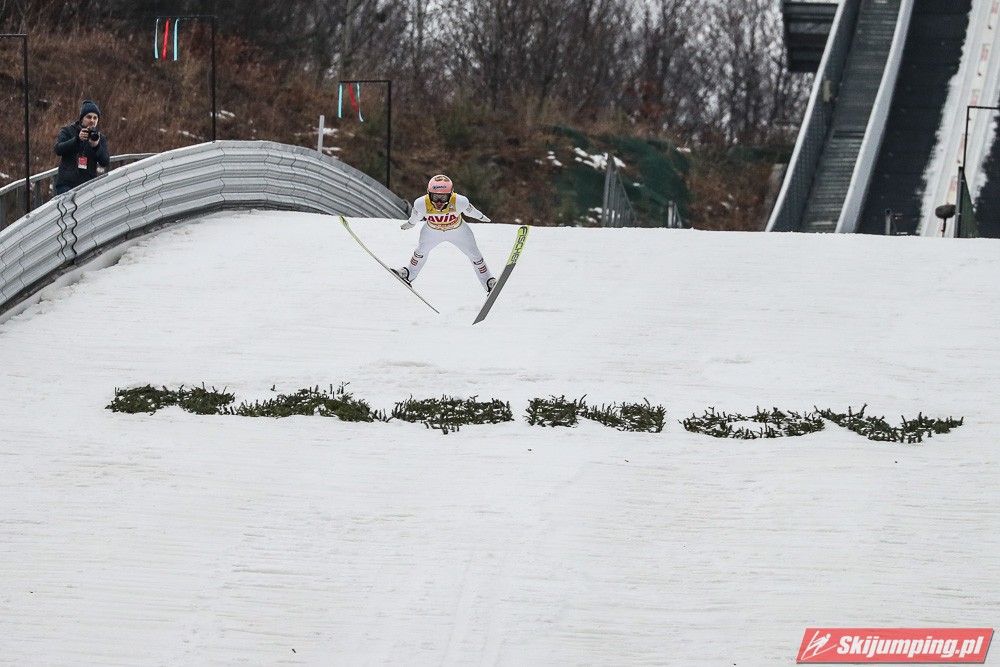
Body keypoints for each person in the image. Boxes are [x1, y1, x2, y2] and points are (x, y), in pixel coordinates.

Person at [393, 174, 497, 293]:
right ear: (428, 193)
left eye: (443, 197)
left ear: (451, 194)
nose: (438, 202)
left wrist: (481, 216)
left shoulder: (460, 201)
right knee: (420, 252)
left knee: (475, 255)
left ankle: (488, 281)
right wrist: (411, 223)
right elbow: (416, 215)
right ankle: (408, 273)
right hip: (432, 232)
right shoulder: (421, 203)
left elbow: (470, 211)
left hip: (458, 231)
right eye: (435, 197)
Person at [54, 100, 110, 195]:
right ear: (82, 118)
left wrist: (96, 146)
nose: (92, 120)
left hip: (87, 186)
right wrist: (77, 139)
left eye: (95, 118)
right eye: (88, 117)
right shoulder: (68, 131)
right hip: (67, 184)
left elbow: (105, 162)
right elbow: (58, 149)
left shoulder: (99, 137)